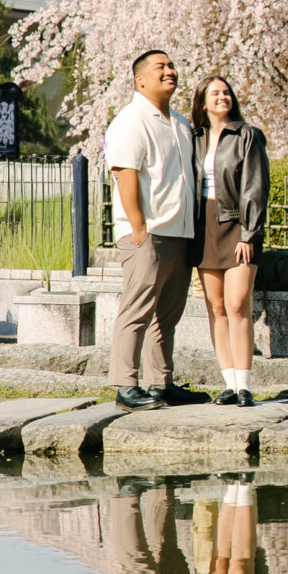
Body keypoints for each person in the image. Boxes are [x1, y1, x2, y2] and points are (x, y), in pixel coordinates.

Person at [104, 50, 202, 411]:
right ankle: (126, 385)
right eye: (160, 67)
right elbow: (124, 172)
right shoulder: (130, 121)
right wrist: (139, 226)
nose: (170, 71)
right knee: (138, 309)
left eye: (172, 66)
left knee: (168, 314)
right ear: (140, 79)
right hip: (146, 232)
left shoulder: (178, 123)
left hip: (179, 231)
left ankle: (160, 383)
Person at [191, 74, 270, 406]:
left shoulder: (247, 135)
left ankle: (245, 386)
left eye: (226, 92)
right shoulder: (194, 137)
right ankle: (228, 382)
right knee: (216, 307)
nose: (222, 97)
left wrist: (249, 232)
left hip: (237, 226)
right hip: (202, 226)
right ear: (203, 101)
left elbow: (256, 185)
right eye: (214, 93)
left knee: (238, 303)